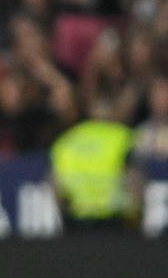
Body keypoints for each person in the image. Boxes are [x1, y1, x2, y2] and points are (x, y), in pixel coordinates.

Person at [50, 99, 142, 233]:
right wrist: (136, 217)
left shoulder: (66, 140)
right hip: (115, 221)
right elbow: (135, 181)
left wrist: (63, 219)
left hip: (76, 222)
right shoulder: (122, 137)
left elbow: (55, 186)